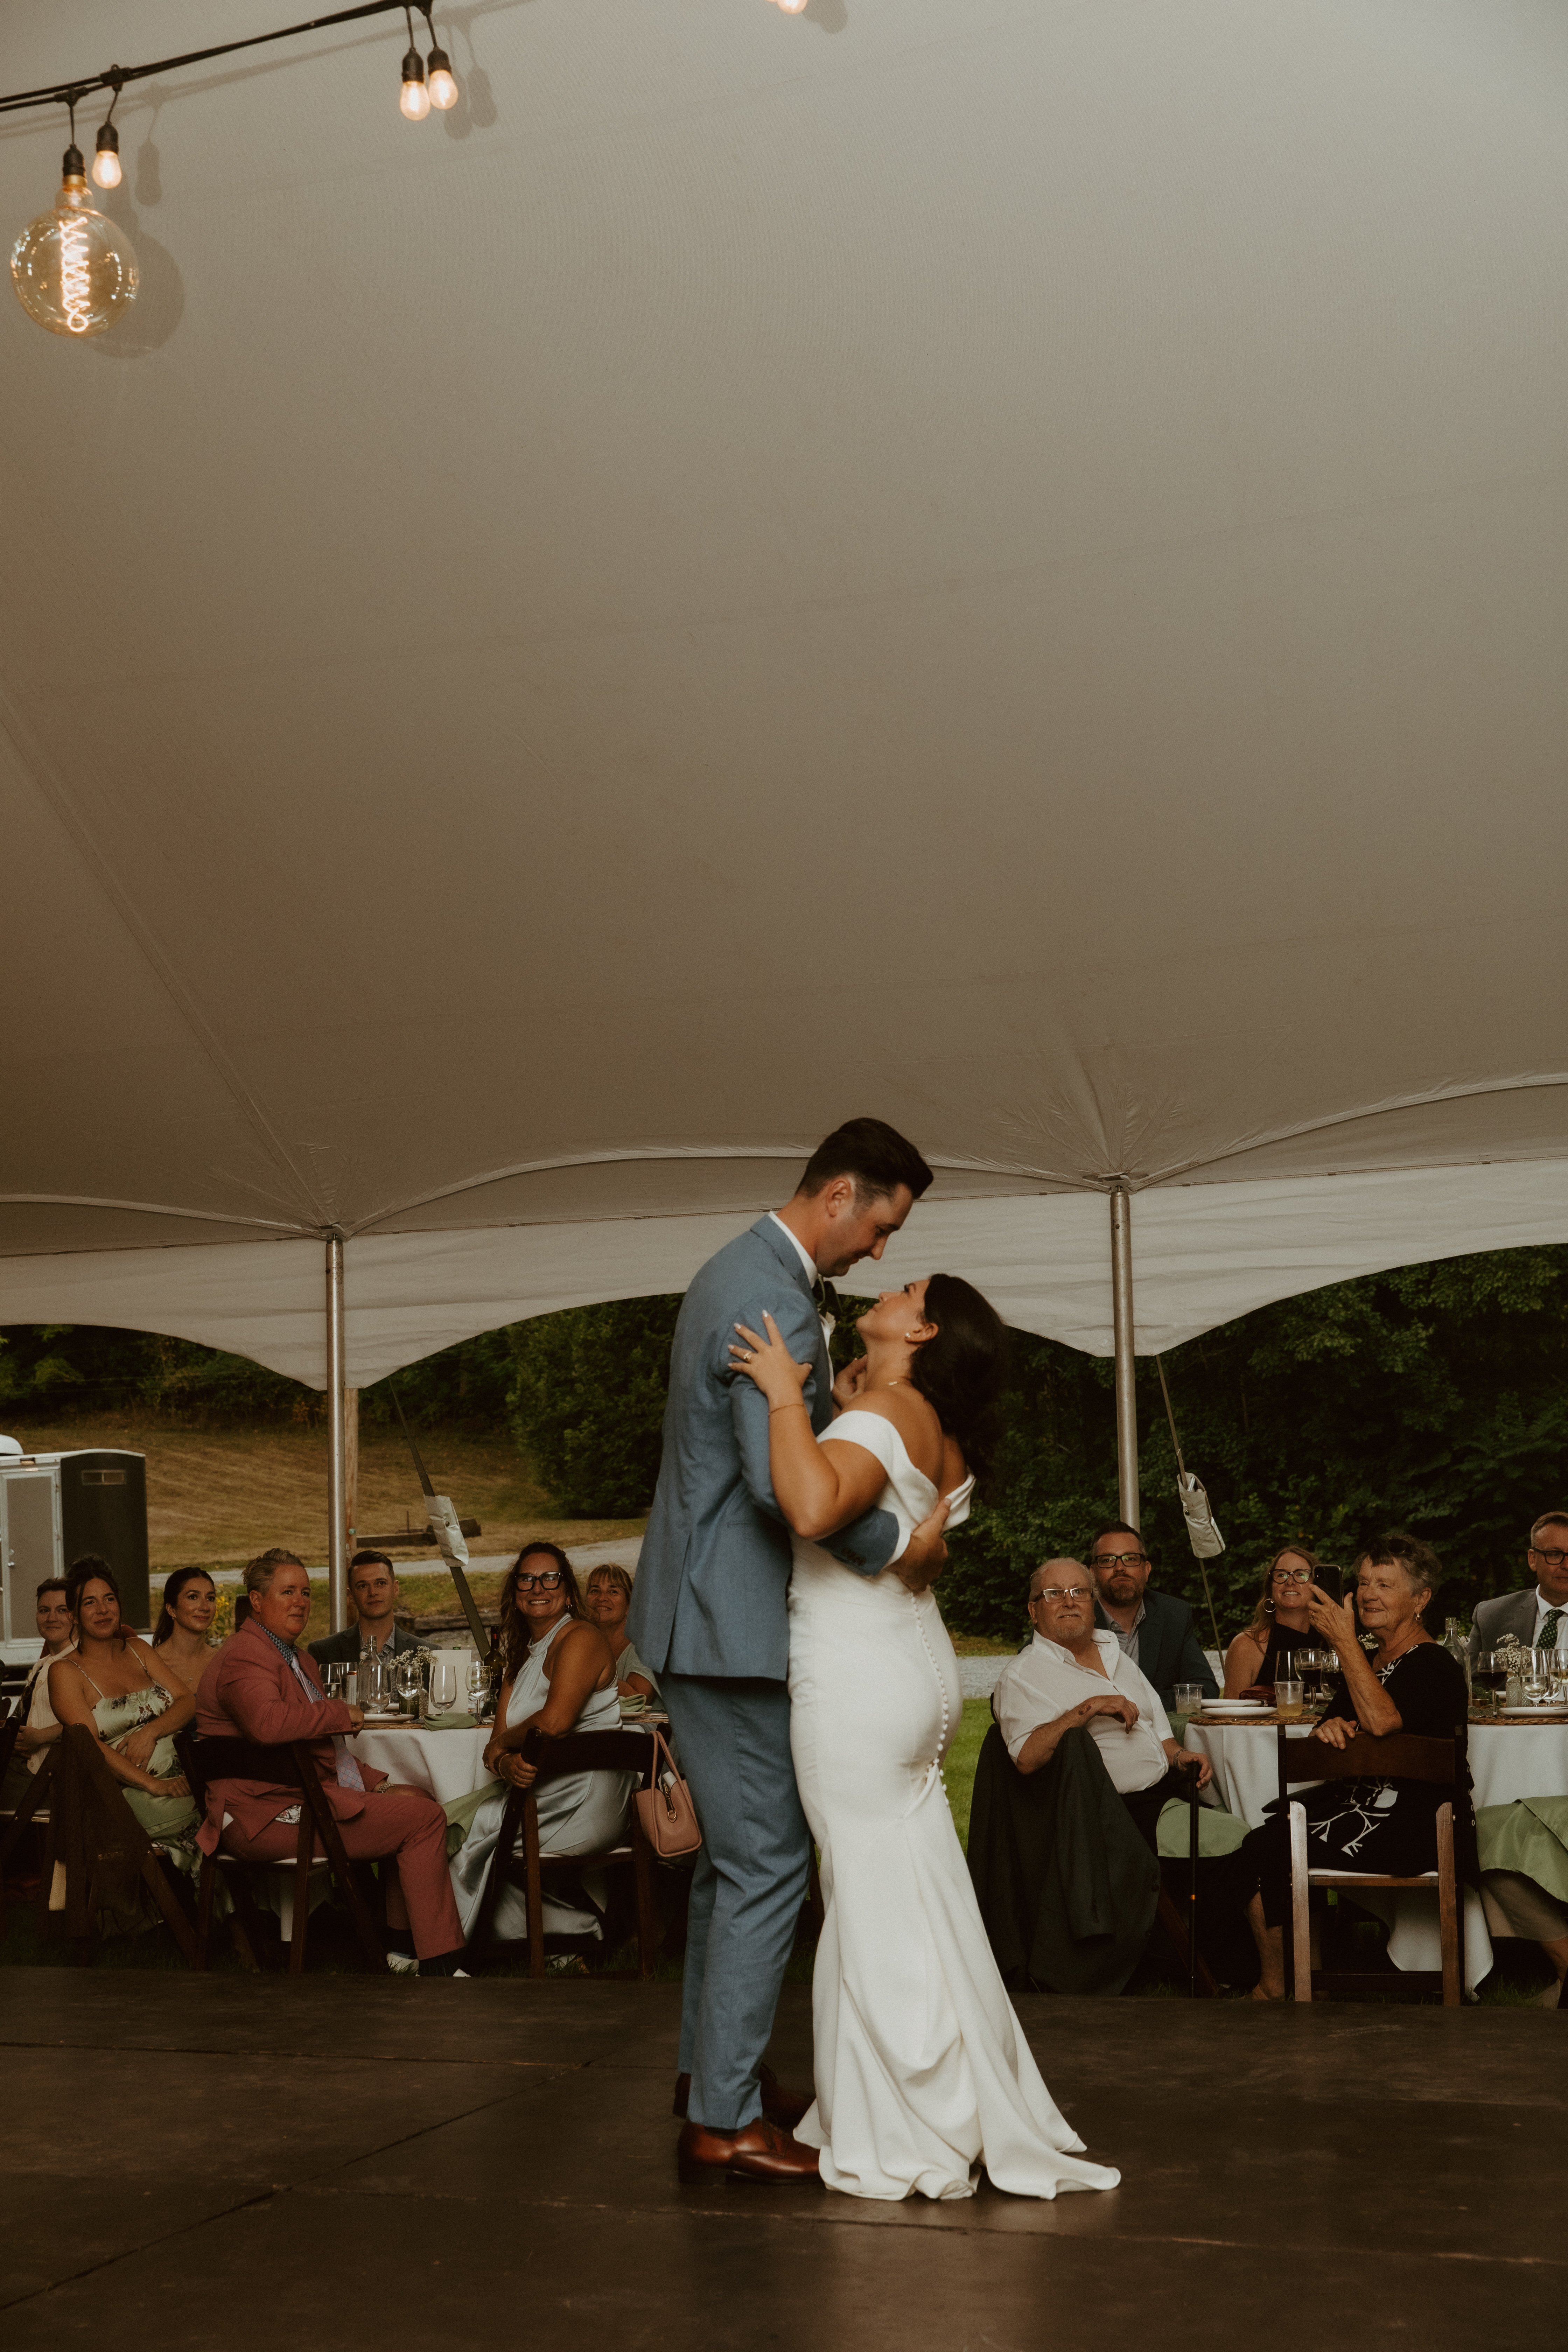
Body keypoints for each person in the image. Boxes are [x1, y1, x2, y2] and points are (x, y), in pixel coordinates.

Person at [730, 1281, 1120, 2203]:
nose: (891, 1285)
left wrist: (787, 1393)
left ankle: (912, 2117)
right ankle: (953, 2096)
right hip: (913, 1669)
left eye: (909, 1290)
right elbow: (897, 1529)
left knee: (866, 1901)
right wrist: (834, 1397)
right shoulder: (925, 1420)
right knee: (920, 1893)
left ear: (925, 1328)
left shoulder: (889, 1410)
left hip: (859, 1678)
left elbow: (816, 1507)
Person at [626, 1117, 952, 2188]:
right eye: (880, 1224)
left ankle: (710, 2078)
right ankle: (720, 2120)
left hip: (700, 1613)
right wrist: (899, 1540)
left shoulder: (738, 1268)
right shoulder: (771, 1299)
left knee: (733, 1864)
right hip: (730, 1623)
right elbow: (785, 1489)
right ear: (841, 1192)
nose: (879, 1250)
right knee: (767, 1862)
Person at [974, 1560, 1244, 1995]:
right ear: (1033, 1610)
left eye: (1079, 1592)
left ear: (1092, 1601)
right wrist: (1085, 1709)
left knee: (1248, 1820)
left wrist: (1177, 1756)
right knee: (1238, 1844)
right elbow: (1024, 1758)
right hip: (1105, 1818)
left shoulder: (1115, 1654)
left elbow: (1157, 1728)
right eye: (1054, 1594)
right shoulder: (1023, 1677)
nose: (1068, 1602)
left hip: (1164, 1790)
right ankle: (1214, 1969)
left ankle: (1195, 1958)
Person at [195, 1548, 467, 1975]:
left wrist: (376, 1783)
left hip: (298, 1799)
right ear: (257, 1601)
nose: (301, 1601)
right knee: (423, 1819)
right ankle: (440, 1963)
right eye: (288, 1592)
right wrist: (340, 1710)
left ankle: (399, 1952)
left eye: (305, 1591)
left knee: (417, 1798)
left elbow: (323, 1751)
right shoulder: (246, 1655)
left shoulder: (297, 1659)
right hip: (262, 1816)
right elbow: (266, 1725)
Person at [1239, 1531, 1472, 2001]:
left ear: (1421, 1599)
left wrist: (1343, 1640)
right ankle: (1303, 1977)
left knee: (1270, 1845)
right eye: (1364, 1582)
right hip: (1356, 1810)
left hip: (1419, 1824)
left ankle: (1280, 1985)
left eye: (1385, 1585)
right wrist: (1330, 1731)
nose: (1367, 1594)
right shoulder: (1367, 1659)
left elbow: (1382, 1720)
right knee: (1264, 1840)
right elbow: (1330, 1728)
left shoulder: (1434, 1663)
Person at [448, 1544, 638, 1947]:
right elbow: (497, 1749)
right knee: (455, 1831)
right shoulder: (520, 1658)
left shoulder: (581, 1637)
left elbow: (554, 1722)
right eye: (527, 1579)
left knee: (467, 1834)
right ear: (516, 1594)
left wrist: (500, 1748)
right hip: (541, 1793)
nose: (539, 1587)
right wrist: (506, 1765)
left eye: (550, 1578)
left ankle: (449, 1948)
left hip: (587, 1799)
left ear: (568, 1591)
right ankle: (576, 1931)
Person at [48, 1558, 201, 1886]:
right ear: (74, 1615)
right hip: (122, 1794)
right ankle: (217, 1922)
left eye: (110, 1599)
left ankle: (224, 1921)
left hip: (186, 1774)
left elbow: (188, 1701)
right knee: (210, 1819)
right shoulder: (65, 1673)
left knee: (229, 1807)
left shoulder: (138, 1650)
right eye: (90, 1602)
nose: (103, 1610)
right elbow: (89, 1748)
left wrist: (151, 1732)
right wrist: (153, 1785)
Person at [1088, 1522, 1218, 1708]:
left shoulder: (1174, 1615)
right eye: (1107, 1560)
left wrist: (1139, 1704)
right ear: (1092, 1574)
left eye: (1131, 1559)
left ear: (1146, 1570)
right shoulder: (1073, 1617)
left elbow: (1204, 1690)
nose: (1120, 1568)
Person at [1, 1577, 76, 1809]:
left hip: (47, 1781)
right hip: (19, 1768)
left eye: (62, 1610)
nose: (51, 1618)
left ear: (76, 1616)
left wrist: (41, 1737)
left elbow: (96, 1720)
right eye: (44, 1610)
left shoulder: (82, 1663)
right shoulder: (42, 1665)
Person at [1470, 1510, 1568, 1662]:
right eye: (1555, 1554)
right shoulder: (1491, 1617)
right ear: (1533, 1559)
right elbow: (1470, 1683)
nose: (1566, 1565)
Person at [1222, 1546, 1318, 1696]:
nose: (1290, 1582)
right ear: (1271, 1589)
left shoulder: (1334, 1643)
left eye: (1301, 1575)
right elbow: (1232, 1716)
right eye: (1281, 1575)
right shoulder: (1246, 1646)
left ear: (1317, 1586)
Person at [309, 1550, 424, 1671]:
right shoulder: (323, 1653)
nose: (373, 1592)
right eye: (363, 1586)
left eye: (381, 1583)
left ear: (395, 1589)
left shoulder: (428, 1653)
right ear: (351, 1596)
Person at [583, 1563, 658, 1700]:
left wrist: (586, 1675)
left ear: (628, 1606)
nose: (602, 1598)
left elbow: (638, 1698)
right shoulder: (582, 1645)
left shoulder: (645, 1645)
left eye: (613, 1592)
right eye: (595, 1591)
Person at [151, 1567, 222, 1698]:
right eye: (193, 1597)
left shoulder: (223, 1663)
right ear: (172, 1609)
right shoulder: (152, 1667)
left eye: (210, 1598)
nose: (205, 1607)